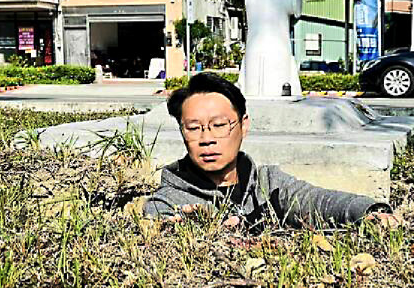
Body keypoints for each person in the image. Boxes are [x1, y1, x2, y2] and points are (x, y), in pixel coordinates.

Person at [143, 72, 395, 228]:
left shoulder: (266, 183)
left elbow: (314, 200)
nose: (207, 138)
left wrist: (369, 211)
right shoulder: (169, 200)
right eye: (194, 128)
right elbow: (157, 222)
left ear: (243, 125)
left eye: (219, 125)